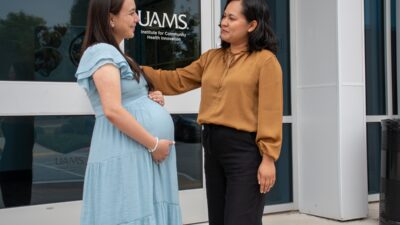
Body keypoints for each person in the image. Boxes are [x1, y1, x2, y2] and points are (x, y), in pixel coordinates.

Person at [142, 0, 283, 224]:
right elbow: (177, 80)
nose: (223, 23)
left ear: (252, 25)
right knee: (217, 219)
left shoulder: (266, 62)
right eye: (224, 17)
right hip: (212, 144)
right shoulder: (212, 58)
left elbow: (271, 112)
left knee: (240, 220)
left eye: (232, 18)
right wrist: (136, 70)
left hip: (244, 151)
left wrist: (268, 159)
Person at [74, 0, 182, 224]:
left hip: (137, 149)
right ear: (110, 18)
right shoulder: (100, 52)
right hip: (125, 146)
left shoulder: (120, 55)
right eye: (132, 13)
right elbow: (112, 109)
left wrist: (151, 97)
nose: (137, 19)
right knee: (129, 213)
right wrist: (153, 144)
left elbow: (128, 97)